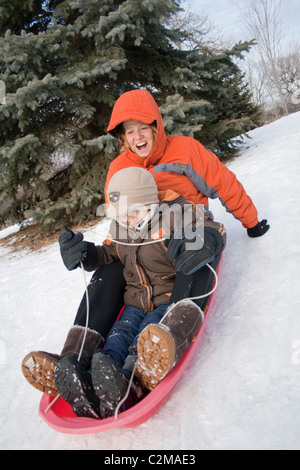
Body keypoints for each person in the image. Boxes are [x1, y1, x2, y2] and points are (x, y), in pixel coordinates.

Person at [21, 89, 269, 401]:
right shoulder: (118, 168)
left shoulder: (185, 150)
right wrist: (89, 255)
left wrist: (250, 221)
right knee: (109, 272)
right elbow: (121, 226)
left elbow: (224, 183)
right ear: (122, 137)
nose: (137, 136)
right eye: (129, 130)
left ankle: (158, 348)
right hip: (140, 239)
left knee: (190, 261)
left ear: (155, 126)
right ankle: (73, 361)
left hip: (187, 232)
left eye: (142, 127)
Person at [54, 166, 226, 418]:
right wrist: (87, 255)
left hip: (167, 298)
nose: (127, 220)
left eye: (134, 213)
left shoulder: (177, 214)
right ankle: (100, 380)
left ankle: (130, 381)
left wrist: (205, 238)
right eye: (122, 215)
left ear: (151, 202)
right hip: (134, 300)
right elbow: (110, 254)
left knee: (145, 339)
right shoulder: (122, 226)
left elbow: (214, 227)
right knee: (119, 334)